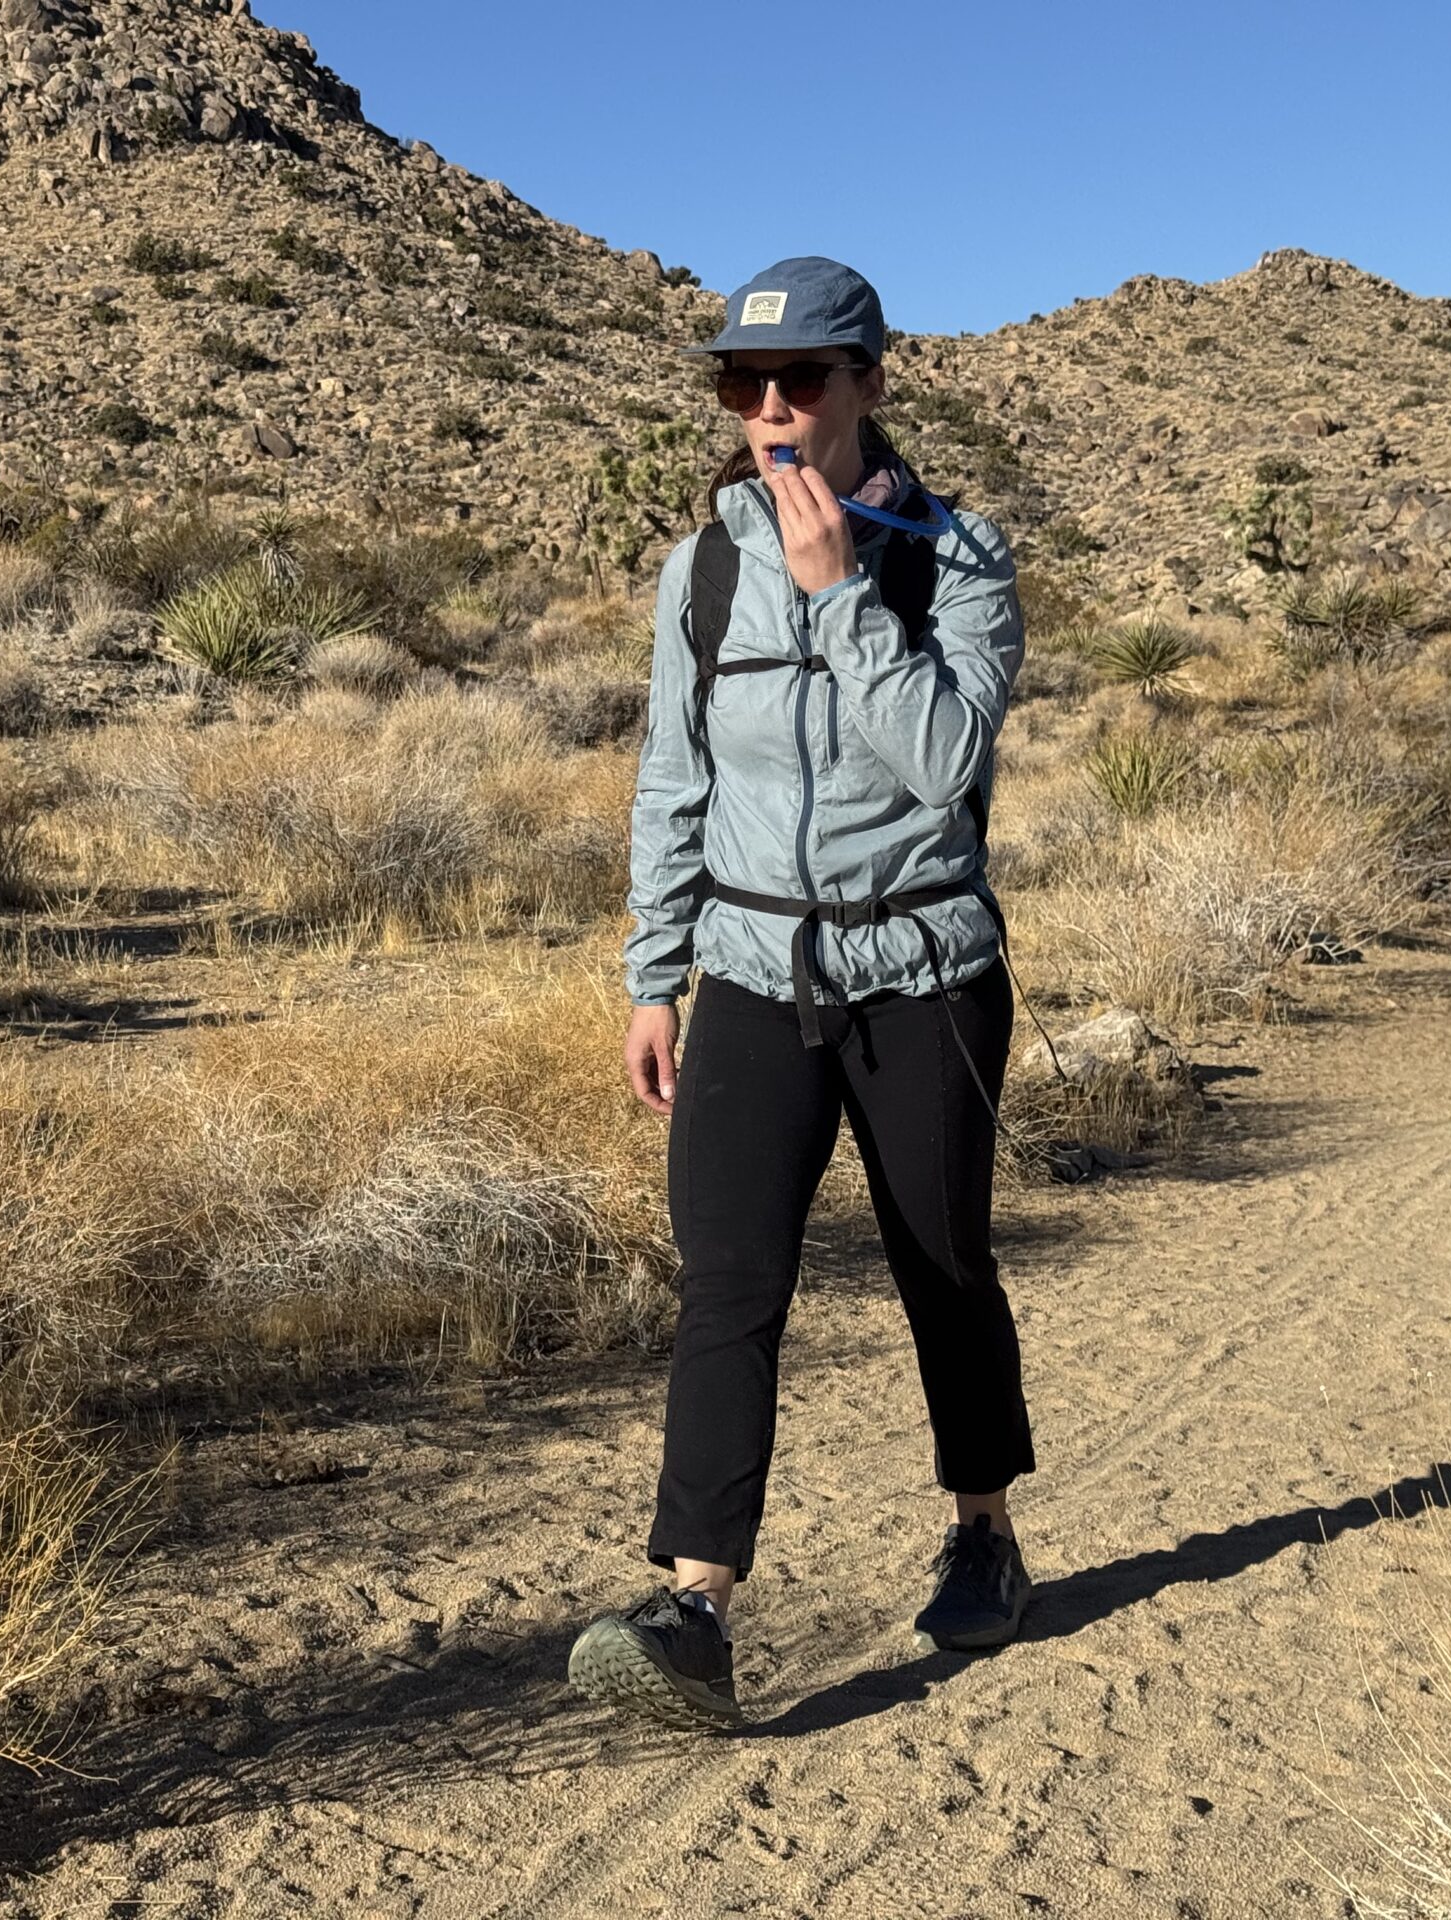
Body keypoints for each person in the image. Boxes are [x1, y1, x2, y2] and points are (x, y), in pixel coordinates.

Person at [566, 256, 1034, 1732]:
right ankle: (696, 1607)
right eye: (741, 384)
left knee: (938, 1262)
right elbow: (673, 775)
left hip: (925, 976)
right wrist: (656, 974)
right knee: (729, 1280)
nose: (770, 408)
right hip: (755, 975)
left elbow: (951, 765)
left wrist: (841, 599)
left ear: (869, 385)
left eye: (804, 380)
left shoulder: (956, 558)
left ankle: (983, 1530)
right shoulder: (700, 567)